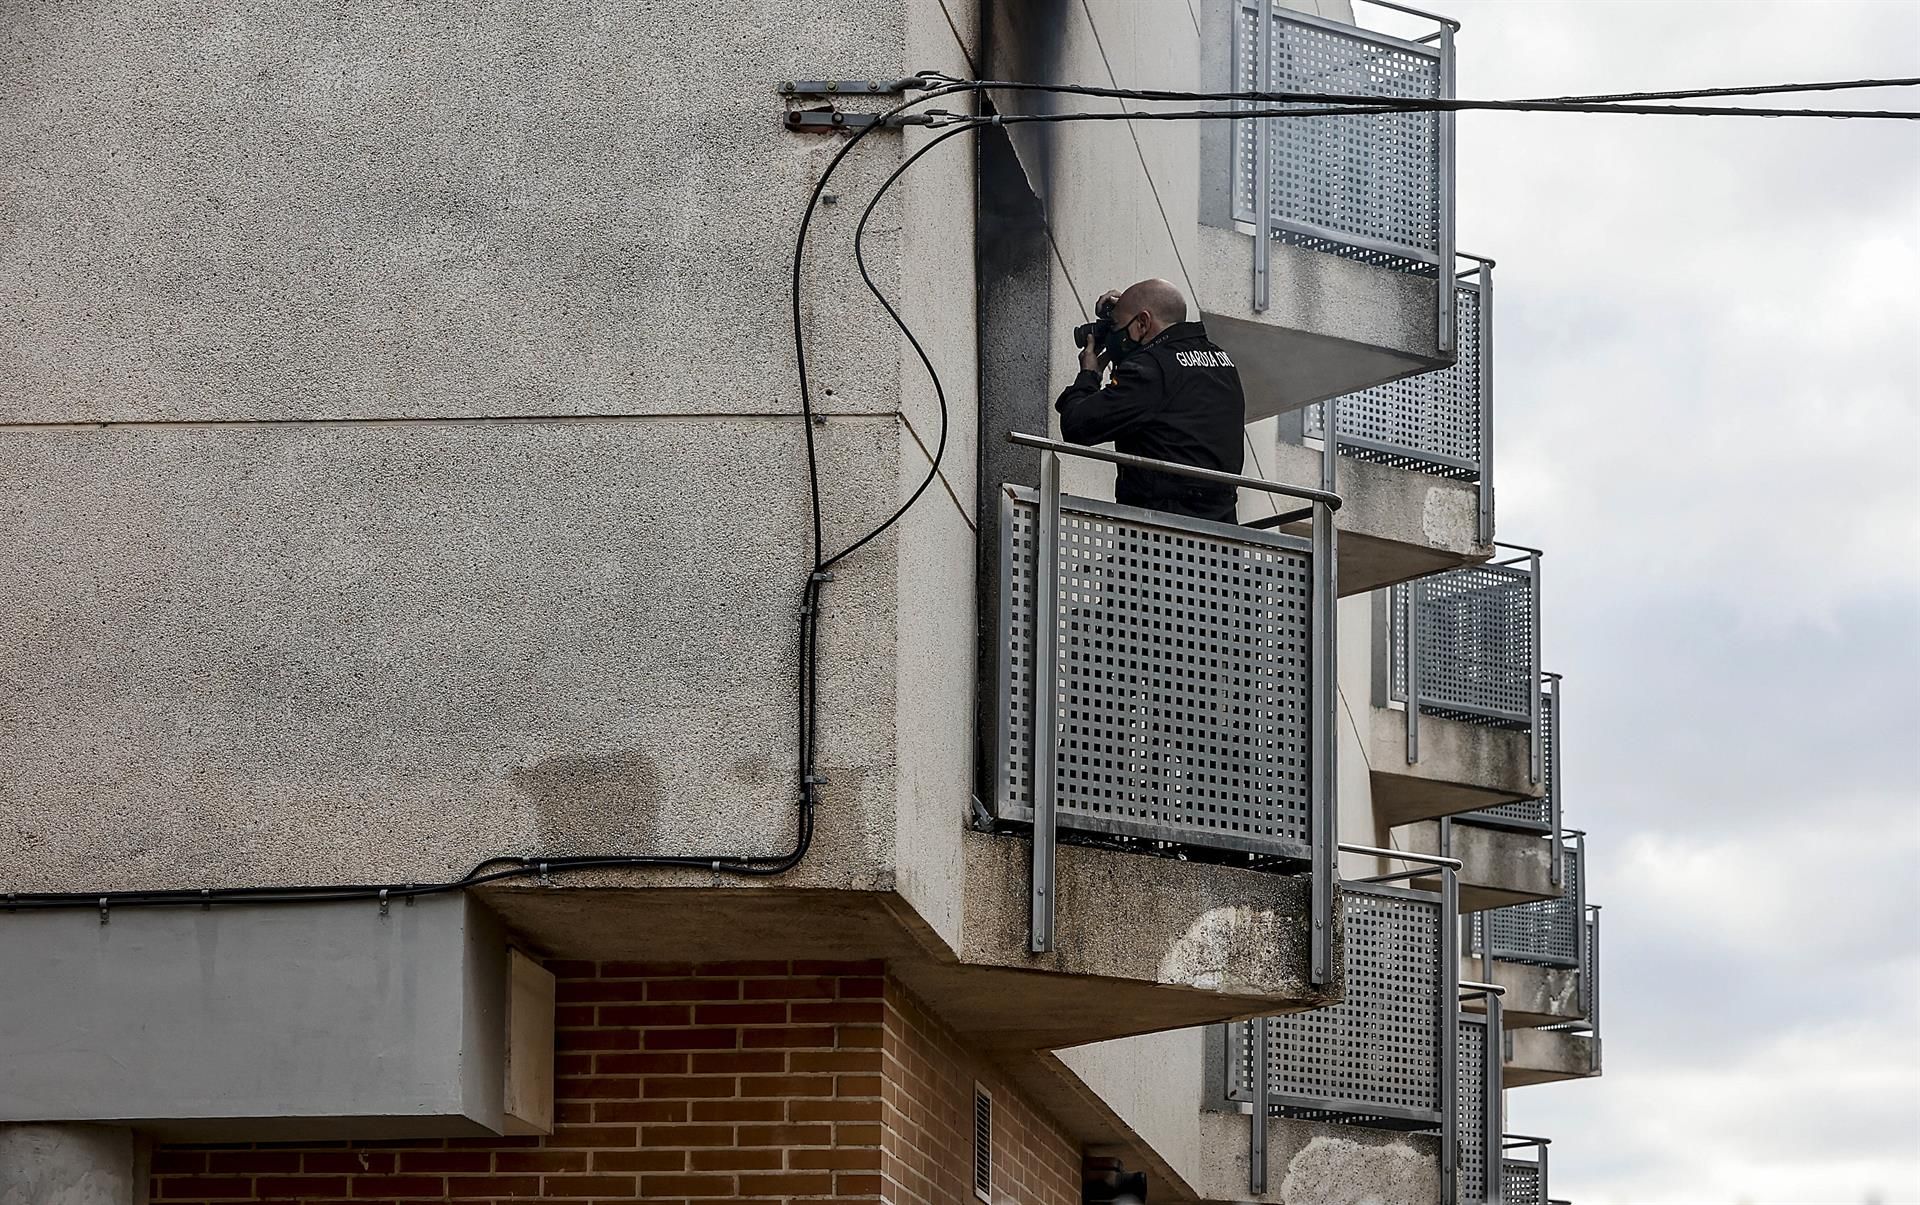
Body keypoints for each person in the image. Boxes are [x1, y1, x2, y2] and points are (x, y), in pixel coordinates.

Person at [1054, 278, 1246, 523]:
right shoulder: (1221, 361)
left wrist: (1089, 375)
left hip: (1161, 537)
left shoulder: (1151, 369)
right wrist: (1126, 312)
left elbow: (1077, 426)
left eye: (1115, 326)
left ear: (1143, 322)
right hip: (1219, 538)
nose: (1113, 335)